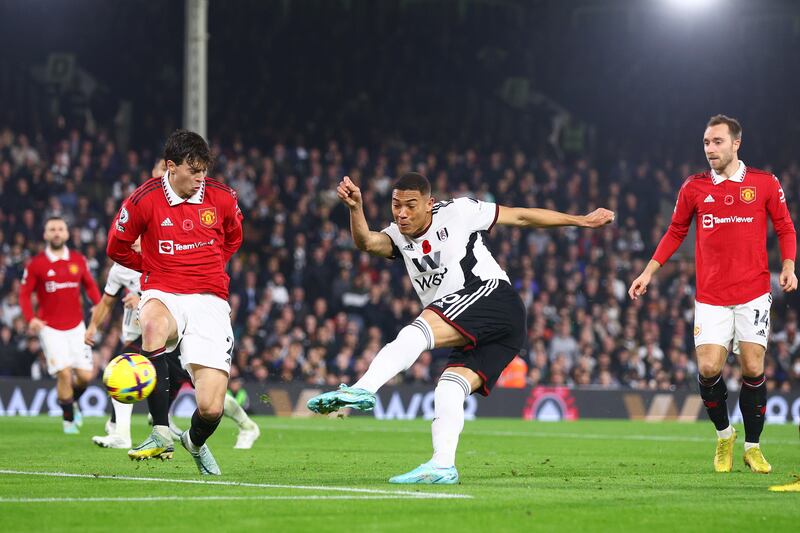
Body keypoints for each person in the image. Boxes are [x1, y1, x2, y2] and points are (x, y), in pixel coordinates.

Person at [308, 172, 614, 484]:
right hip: (492, 329)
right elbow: (367, 242)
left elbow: (520, 216)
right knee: (449, 387)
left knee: (417, 331)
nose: (401, 213)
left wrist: (581, 221)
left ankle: (364, 388)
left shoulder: (459, 212)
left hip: (492, 297)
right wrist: (355, 208)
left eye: (410, 205)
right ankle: (443, 466)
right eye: (396, 205)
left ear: (429, 204)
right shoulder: (398, 236)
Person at [628, 114, 797, 474]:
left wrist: (788, 265)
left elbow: (784, 225)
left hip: (753, 292)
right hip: (711, 297)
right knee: (708, 368)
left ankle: (753, 447)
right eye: (706, 142)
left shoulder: (764, 184)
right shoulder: (693, 187)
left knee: (753, 366)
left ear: (736, 143)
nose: (710, 149)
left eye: (717, 141)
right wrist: (647, 272)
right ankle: (724, 437)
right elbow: (675, 232)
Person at [106, 130, 243, 475]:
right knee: (151, 324)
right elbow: (116, 247)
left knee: (211, 408)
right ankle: (160, 431)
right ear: (171, 166)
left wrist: (208, 266)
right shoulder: (143, 200)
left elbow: (233, 238)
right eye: (193, 171)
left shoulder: (222, 198)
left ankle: (193, 442)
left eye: (204, 171)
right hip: (163, 291)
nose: (200, 178)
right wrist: (153, 265)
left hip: (210, 300)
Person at [20, 216, 101, 434]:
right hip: (50, 328)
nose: (56, 232)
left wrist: (98, 305)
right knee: (64, 373)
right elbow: (24, 295)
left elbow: (90, 286)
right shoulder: (37, 264)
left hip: (77, 327)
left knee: (85, 376)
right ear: (45, 234)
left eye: (60, 229)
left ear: (66, 234)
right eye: (52, 229)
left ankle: (69, 402)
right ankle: (68, 420)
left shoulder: (77, 260)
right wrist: (31, 319)